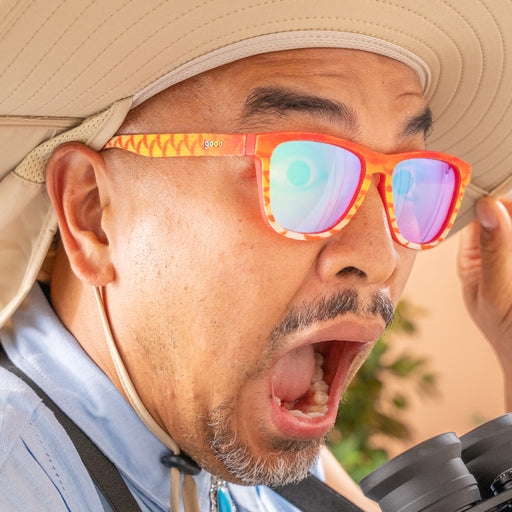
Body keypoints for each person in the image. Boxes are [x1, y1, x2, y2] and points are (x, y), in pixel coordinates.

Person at [1, 1, 511, 511]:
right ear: (92, 212)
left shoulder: (231, 429)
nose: (380, 258)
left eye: (412, 181)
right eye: (303, 173)